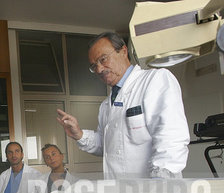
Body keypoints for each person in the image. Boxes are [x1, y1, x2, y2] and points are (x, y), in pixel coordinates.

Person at [57, 32, 189, 179]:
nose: (99, 69)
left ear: (124, 51)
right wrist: (79, 134)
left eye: (103, 59)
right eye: (94, 66)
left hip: (154, 190)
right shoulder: (106, 105)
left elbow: (171, 137)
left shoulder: (154, 80)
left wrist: (159, 185)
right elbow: (107, 145)